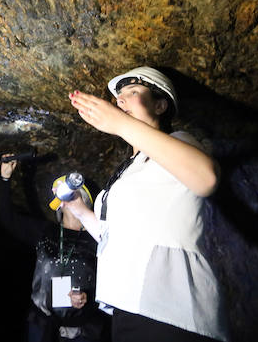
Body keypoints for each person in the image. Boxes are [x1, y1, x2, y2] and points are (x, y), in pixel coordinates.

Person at [61, 67, 228, 342]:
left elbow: (206, 177)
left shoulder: (179, 143)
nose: (121, 100)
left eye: (133, 92)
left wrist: (121, 125)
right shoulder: (130, 171)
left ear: (160, 105)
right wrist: (81, 211)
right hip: (129, 304)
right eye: (119, 97)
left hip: (173, 307)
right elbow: (114, 236)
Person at [0, 154, 108, 342]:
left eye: (77, 192)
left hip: (83, 329)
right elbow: (8, 219)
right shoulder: (45, 232)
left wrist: (87, 297)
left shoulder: (98, 237)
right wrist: (5, 179)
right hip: (41, 323)